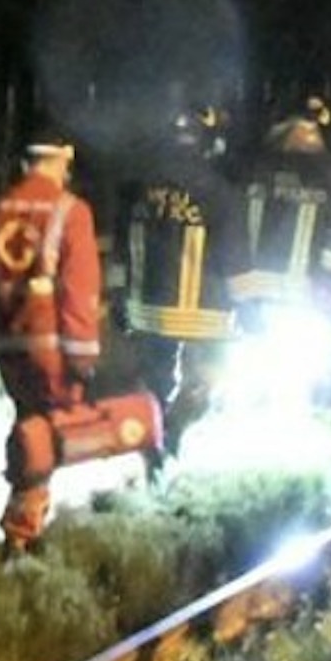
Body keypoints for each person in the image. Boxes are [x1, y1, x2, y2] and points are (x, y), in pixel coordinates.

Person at [0, 129, 103, 561]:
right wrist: (83, 357)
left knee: (30, 424)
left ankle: (24, 524)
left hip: (5, 344)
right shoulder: (71, 211)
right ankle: (20, 537)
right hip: (51, 348)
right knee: (45, 435)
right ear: (61, 159)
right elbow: (79, 292)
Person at [112, 105, 247, 430]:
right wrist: (248, 306)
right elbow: (235, 257)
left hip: (147, 312)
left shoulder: (135, 190)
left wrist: (117, 297)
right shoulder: (219, 192)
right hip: (205, 315)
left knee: (154, 385)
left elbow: (120, 249)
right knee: (206, 381)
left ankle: (153, 440)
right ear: (208, 142)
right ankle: (175, 434)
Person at [229, 93, 331, 319]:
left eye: (314, 130)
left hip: (297, 303)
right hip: (251, 302)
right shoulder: (253, 171)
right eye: (305, 127)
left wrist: (329, 287)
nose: (311, 136)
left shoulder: (327, 175)